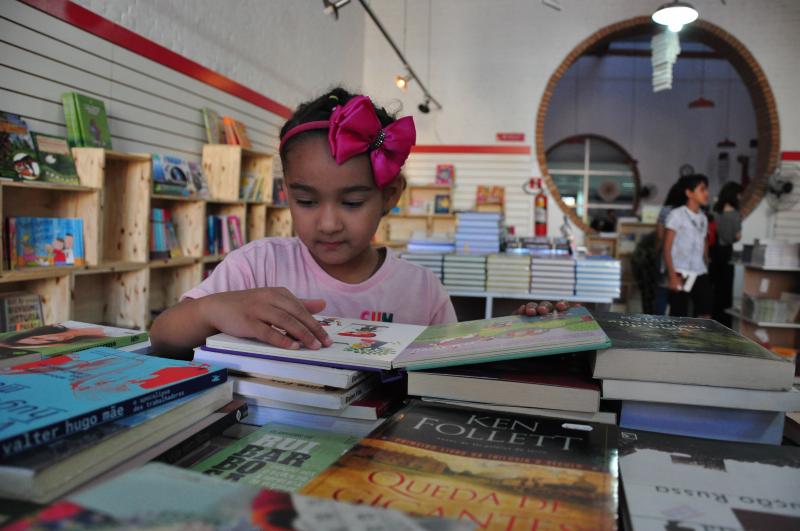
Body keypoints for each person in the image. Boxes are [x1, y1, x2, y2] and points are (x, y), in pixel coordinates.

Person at [150, 88, 565, 359]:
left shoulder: (422, 293)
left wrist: (524, 339)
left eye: (351, 201)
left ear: (389, 196)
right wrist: (215, 307)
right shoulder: (256, 265)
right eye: (306, 200)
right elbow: (163, 336)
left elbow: (454, 376)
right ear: (287, 193)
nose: (327, 223)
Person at [663, 174, 712, 318]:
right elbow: (667, 248)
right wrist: (672, 275)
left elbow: (704, 242)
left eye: (706, 189)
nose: (706, 193)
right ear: (689, 193)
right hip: (680, 271)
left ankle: (698, 340)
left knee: (705, 313)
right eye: (702, 190)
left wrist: (707, 261)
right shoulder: (676, 215)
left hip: (699, 271)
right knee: (679, 316)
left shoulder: (703, 217)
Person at [710, 182, 743, 326]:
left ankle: (711, 320)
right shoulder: (735, 214)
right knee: (726, 290)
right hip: (726, 253)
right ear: (734, 195)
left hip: (712, 253)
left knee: (713, 289)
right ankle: (723, 324)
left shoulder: (715, 212)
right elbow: (737, 236)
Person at [652, 181, 685, 314]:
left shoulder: (665, 210)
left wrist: (656, 252)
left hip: (666, 257)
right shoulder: (687, 212)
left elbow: (660, 236)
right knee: (680, 297)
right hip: (683, 259)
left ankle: (657, 326)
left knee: (661, 293)